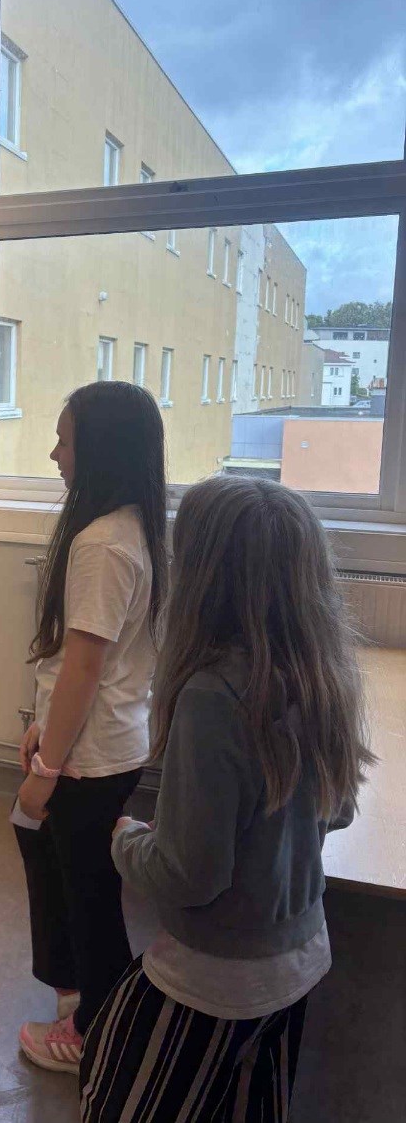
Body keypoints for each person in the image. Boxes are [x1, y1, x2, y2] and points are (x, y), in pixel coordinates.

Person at [80, 476, 375, 1123]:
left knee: (113, 1093)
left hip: (214, 974)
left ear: (204, 580)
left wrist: (126, 839)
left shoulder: (211, 697)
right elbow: (340, 808)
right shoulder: (323, 677)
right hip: (302, 952)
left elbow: (190, 874)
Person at [14, 381, 169, 1073]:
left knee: (91, 900)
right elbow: (78, 667)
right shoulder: (131, 527)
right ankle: (83, 1001)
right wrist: (42, 734)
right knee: (76, 881)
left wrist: (45, 771)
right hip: (102, 745)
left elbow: (83, 667)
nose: (55, 454)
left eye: (64, 440)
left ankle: (96, 1035)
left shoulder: (103, 544)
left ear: (99, 449)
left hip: (89, 757)